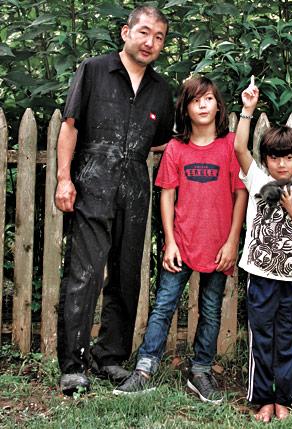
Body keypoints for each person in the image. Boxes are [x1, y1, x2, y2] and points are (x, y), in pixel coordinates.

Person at [55, 6, 174, 395]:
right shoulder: (93, 70)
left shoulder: (161, 89)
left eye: (158, 37)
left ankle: (109, 359)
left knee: (126, 277)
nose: (149, 42)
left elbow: (161, 139)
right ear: (126, 32)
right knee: (84, 274)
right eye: (143, 32)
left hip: (136, 187)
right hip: (92, 179)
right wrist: (63, 178)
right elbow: (70, 126)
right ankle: (73, 365)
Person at [113, 76, 248, 403]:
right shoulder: (176, 148)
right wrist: (170, 242)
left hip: (219, 246)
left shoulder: (230, 145)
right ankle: (144, 370)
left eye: (209, 98)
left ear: (218, 105)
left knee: (211, 309)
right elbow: (167, 196)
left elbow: (241, 195)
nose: (202, 104)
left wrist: (232, 242)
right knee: (163, 306)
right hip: (182, 244)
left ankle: (200, 370)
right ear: (185, 109)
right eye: (195, 100)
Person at [234, 77, 292, 422]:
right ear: (267, 160)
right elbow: (240, 148)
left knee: (286, 339)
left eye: (288, 158)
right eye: (275, 157)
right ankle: (262, 400)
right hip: (260, 276)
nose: (282, 164)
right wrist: (247, 110)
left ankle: (283, 399)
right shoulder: (258, 181)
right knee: (261, 339)